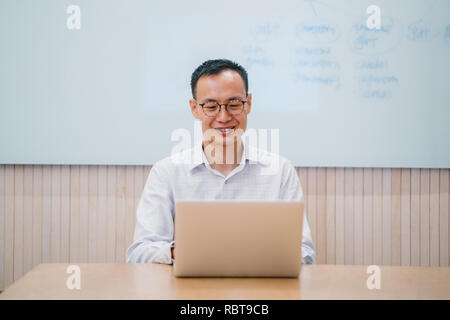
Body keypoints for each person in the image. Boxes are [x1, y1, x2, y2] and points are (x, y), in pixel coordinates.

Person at [126, 59, 316, 264]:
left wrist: (261, 253)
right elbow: (139, 253)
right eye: (211, 106)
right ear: (195, 108)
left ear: (248, 104)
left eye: (234, 104)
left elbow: (305, 254)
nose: (224, 117)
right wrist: (183, 251)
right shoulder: (166, 172)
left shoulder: (280, 171)